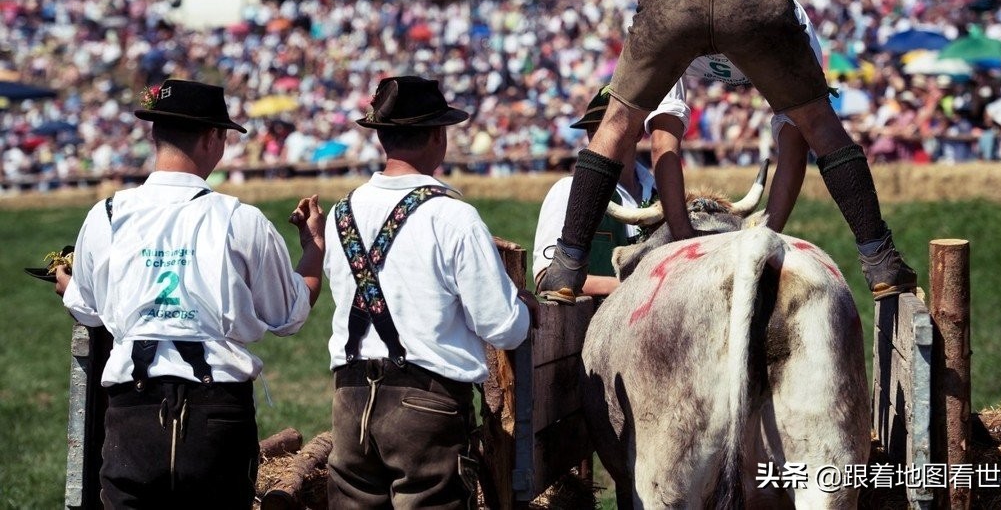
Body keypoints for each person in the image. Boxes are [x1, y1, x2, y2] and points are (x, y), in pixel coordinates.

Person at [536, 0, 917, 305]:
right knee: (821, 124)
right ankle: (879, 260)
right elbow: (798, 139)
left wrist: (681, 236)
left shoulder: (680, 15)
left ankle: (567, 266)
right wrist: (769, 234)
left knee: (617, 121)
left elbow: (663, 139)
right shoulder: (796, 20)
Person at [58, 78, 325, 509]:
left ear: (154, 134)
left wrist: (67, 285)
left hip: (134, 411)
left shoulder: (106, 215)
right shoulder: (241, 219)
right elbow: (290, 315)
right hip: (215, 413)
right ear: (212, 137)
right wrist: (314, 248)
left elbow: (89, 310)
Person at [323, 75, 536, 509]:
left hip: (349, 398)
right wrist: (526, 309)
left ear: (381, 137)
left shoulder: (340, 213)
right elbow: (502, 327)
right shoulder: (451, 216)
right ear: (438, 135)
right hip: (426, 404)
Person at [533, 85, 670, 300]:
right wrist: (639, 286)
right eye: (592, 129)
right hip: (592, 327)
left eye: (612, 126)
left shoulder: (660, 193)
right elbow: (546, 277)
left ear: (637, 132)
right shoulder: (568, 191)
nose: (599, 137)